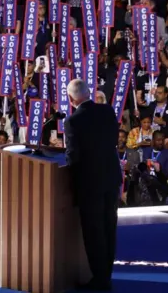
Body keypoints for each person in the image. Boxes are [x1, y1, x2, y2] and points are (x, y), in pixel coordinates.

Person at [64, 79, 121, 291]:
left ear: (71, 99)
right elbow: (114, 139)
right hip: (110, 178)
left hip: (90, 184)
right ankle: (105, 274)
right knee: (108, 228)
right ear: (89, 93)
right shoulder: (107, 111)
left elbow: (74, 157)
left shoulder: (73, 121)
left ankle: (100, 279)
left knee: (94, 231)